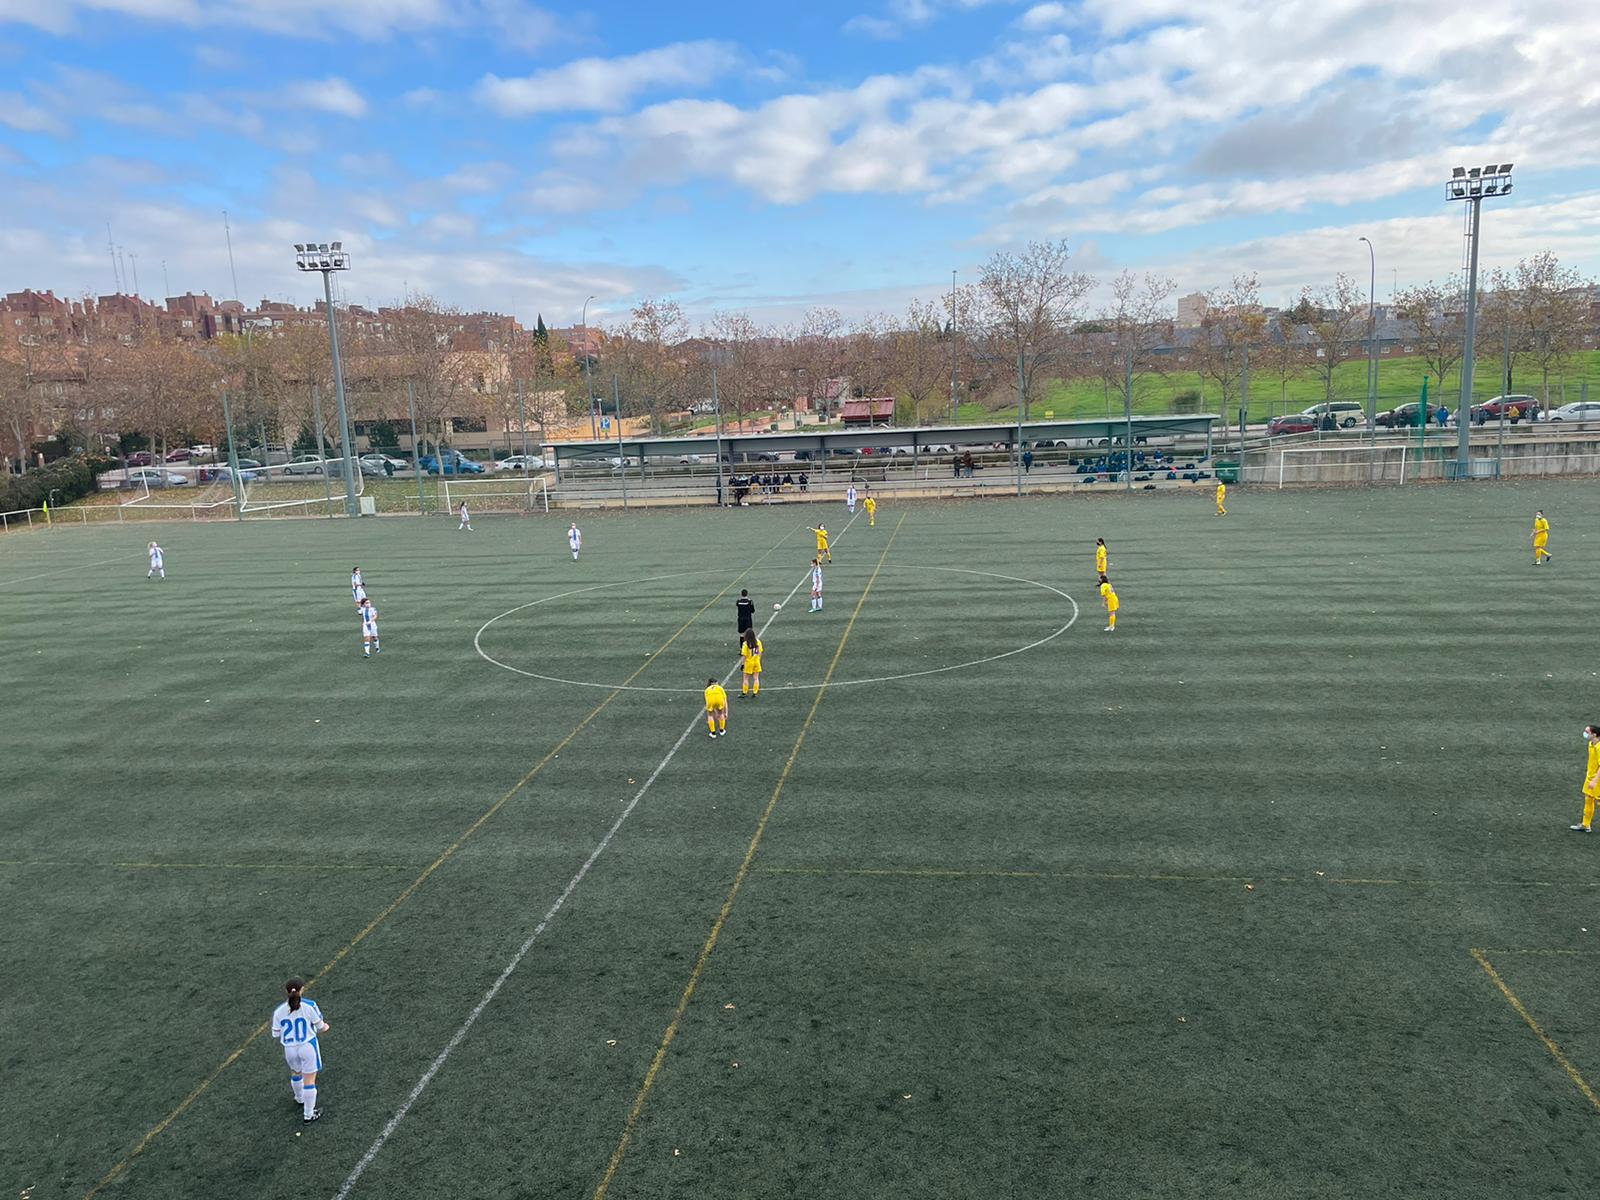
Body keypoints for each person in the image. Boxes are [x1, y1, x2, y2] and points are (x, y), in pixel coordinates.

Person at [271, 977, 329, 1123]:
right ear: (302, 989)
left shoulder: (279, 1011)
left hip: (289, 1049)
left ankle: (299, 1098)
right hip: (307, 1046)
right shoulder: (309, 1006)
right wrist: (325, 1027)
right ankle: (309, 1114)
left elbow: (275, 1033)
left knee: (296, 1072)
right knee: (309, 1080)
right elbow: (320, 1026)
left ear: (286, 991)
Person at [1572, 725, 1600, 832]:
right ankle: (1586, 824)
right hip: (1590, 777)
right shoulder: (1591, 744)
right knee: (1588, 800)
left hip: (1597, 780)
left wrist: (1595, 780)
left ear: (1594, 734)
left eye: (1587, 732)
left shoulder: (1599, 747)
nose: (1585, 733)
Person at [739, 628, 764, 698]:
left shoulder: (745, 644)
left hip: (748, 662)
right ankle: (755, 692)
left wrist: (742, 664)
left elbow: (744, 655)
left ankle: (744, 692)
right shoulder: (758, 642)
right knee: (756, 678)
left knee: (746, 678)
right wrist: (758, 660)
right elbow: (760, 652)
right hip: (756, 661)